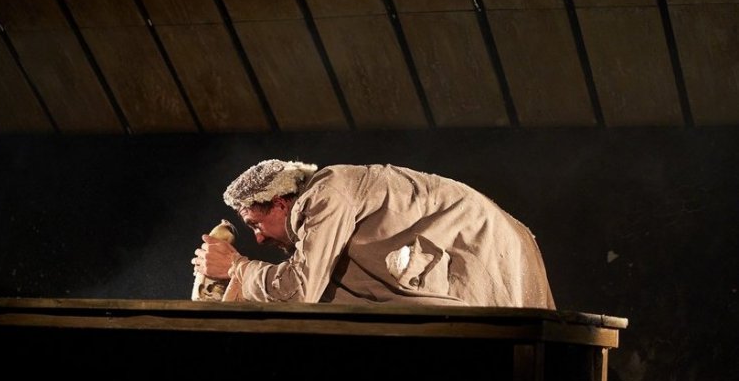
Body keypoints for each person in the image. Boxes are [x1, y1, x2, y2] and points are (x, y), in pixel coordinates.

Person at [191, 159, 555, 308]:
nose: (258, 238)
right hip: (485, 239)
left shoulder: (325, 194)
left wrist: (238, 268)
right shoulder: (327, 207)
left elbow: (300, 290)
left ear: (281, 203)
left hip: (480, 241)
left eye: (256, 224)